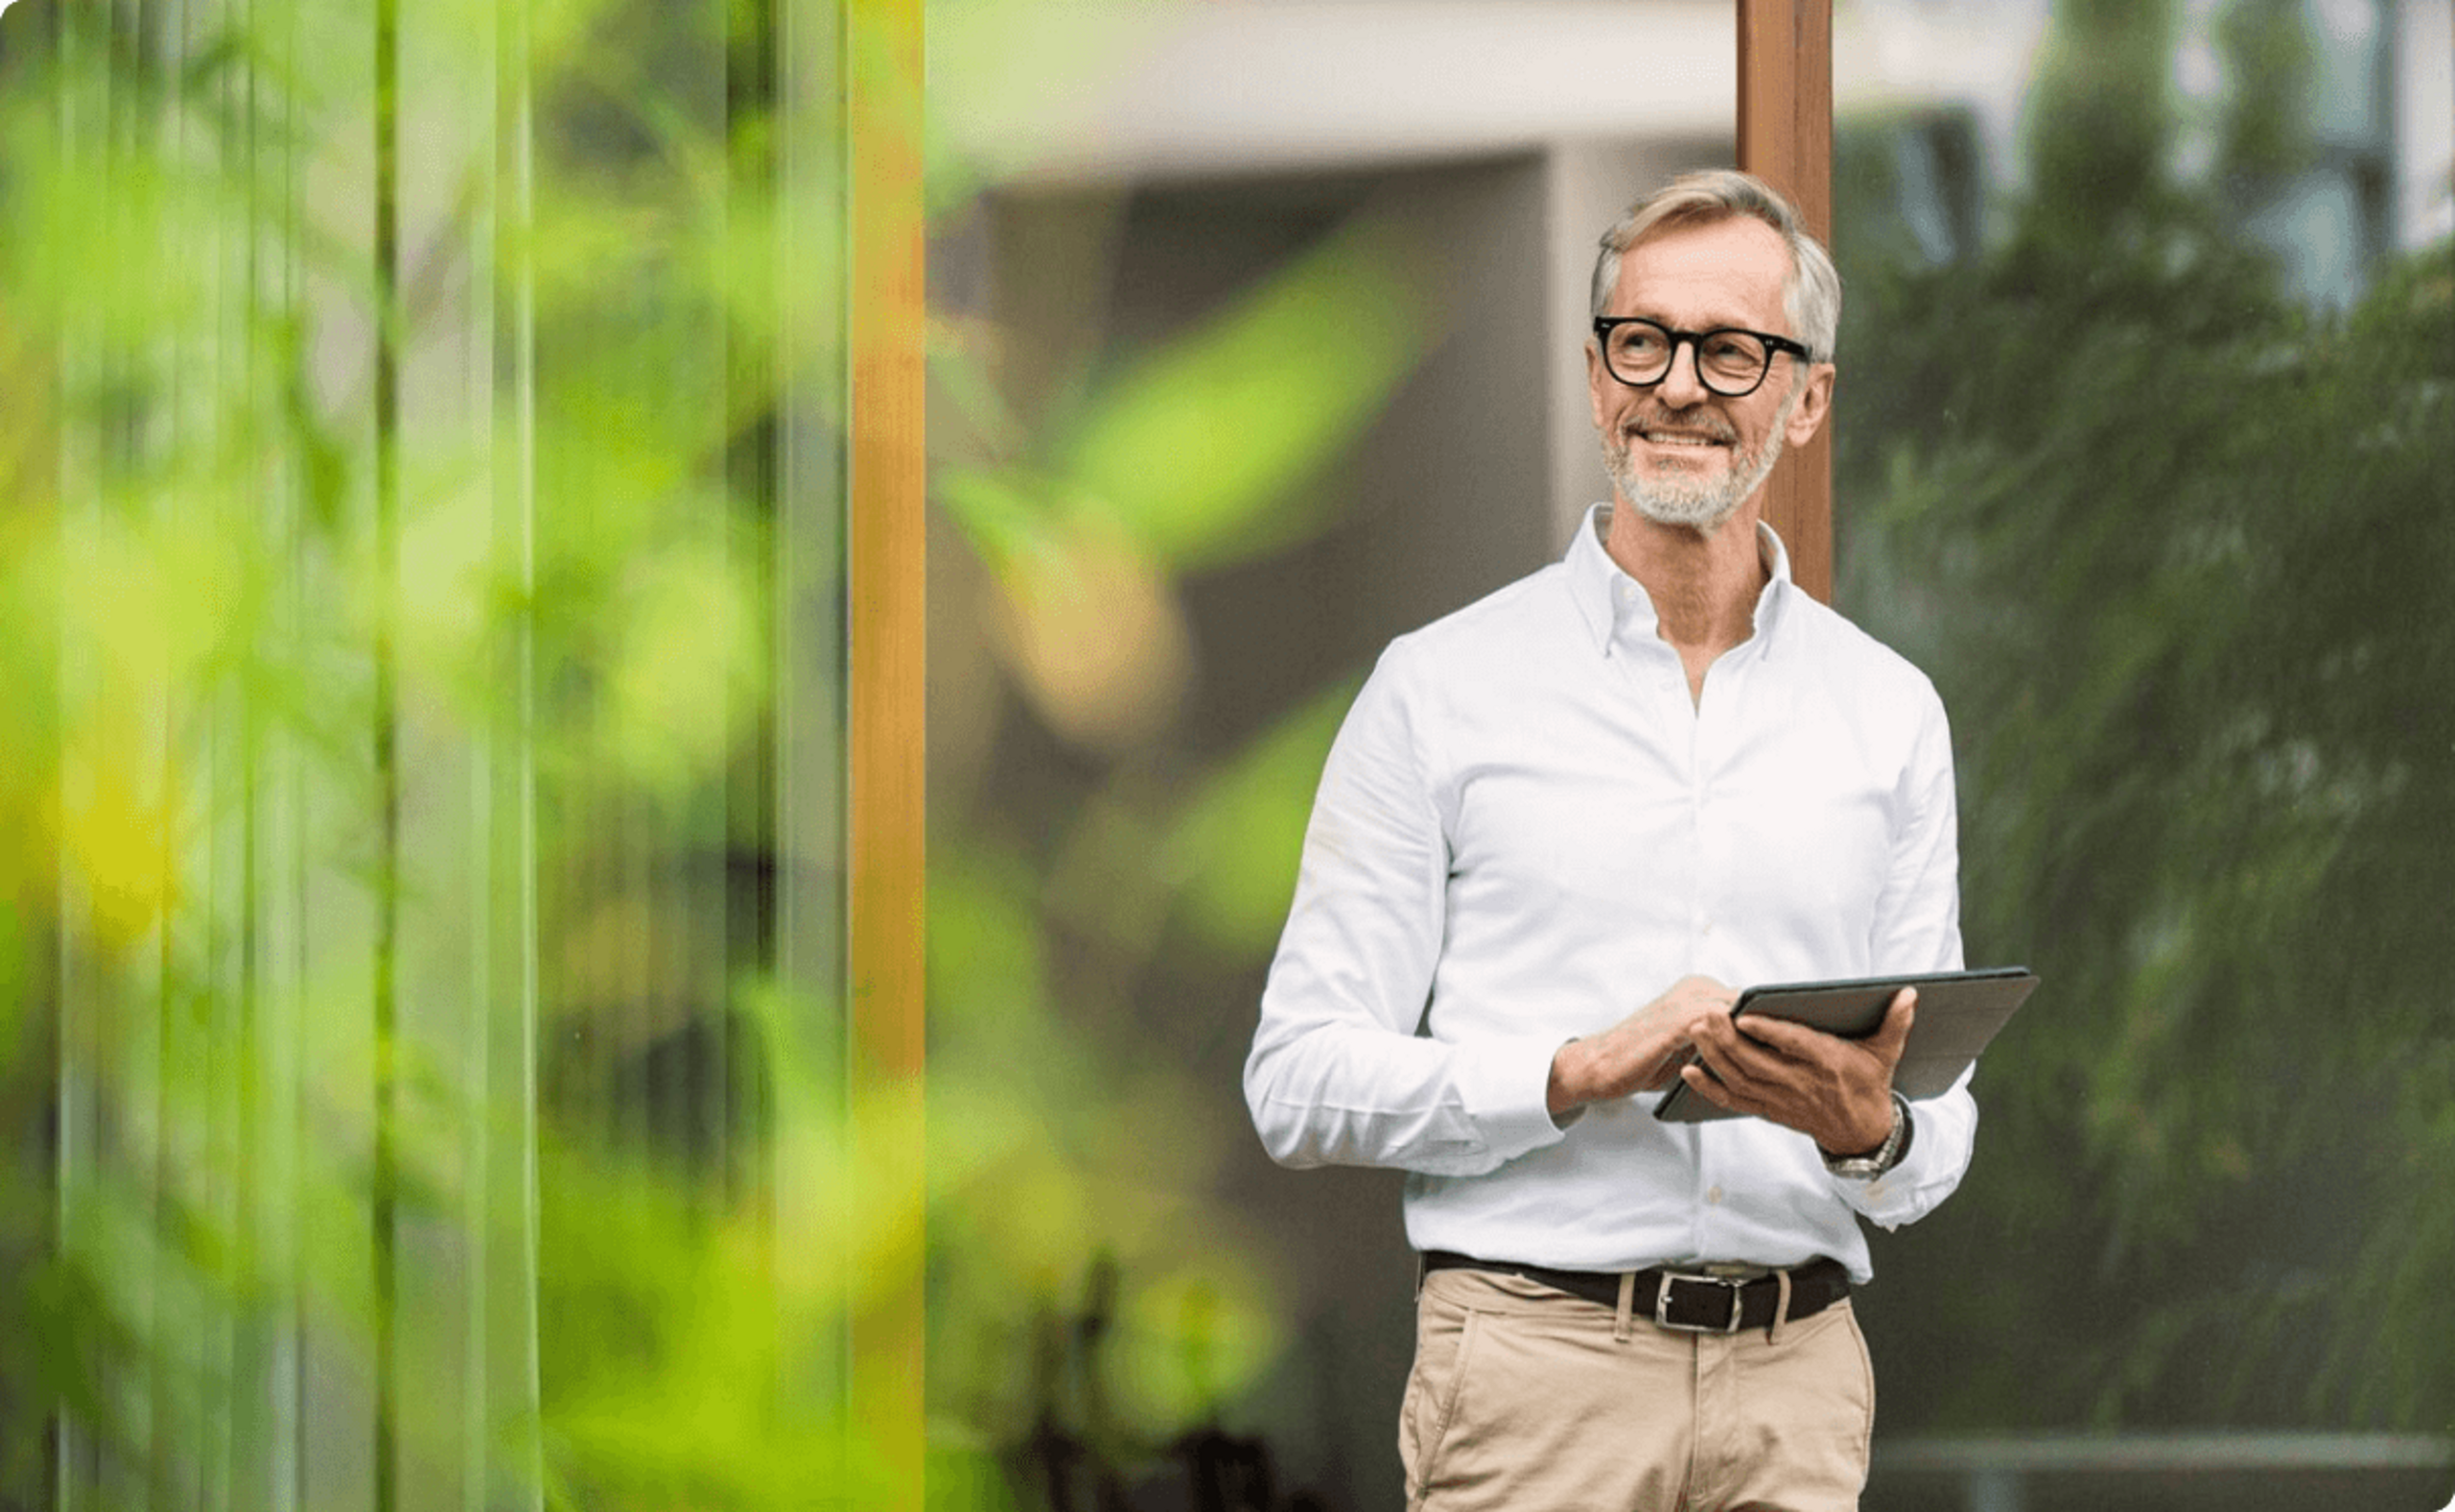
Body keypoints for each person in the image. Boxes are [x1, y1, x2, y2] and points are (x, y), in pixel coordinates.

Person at [1242, 169, 1975, 1512]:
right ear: (1595, 378)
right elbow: (1295, 1083)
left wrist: (1871, 1134)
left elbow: (1933, 1134)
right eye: (1642, 341)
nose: (1680, 384)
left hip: (1799, 1391)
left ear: (1807, 398)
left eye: (1731, 350)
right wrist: (1572, 1071)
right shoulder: (1439, 688)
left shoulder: (1890, 712)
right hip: (1534, 1379)